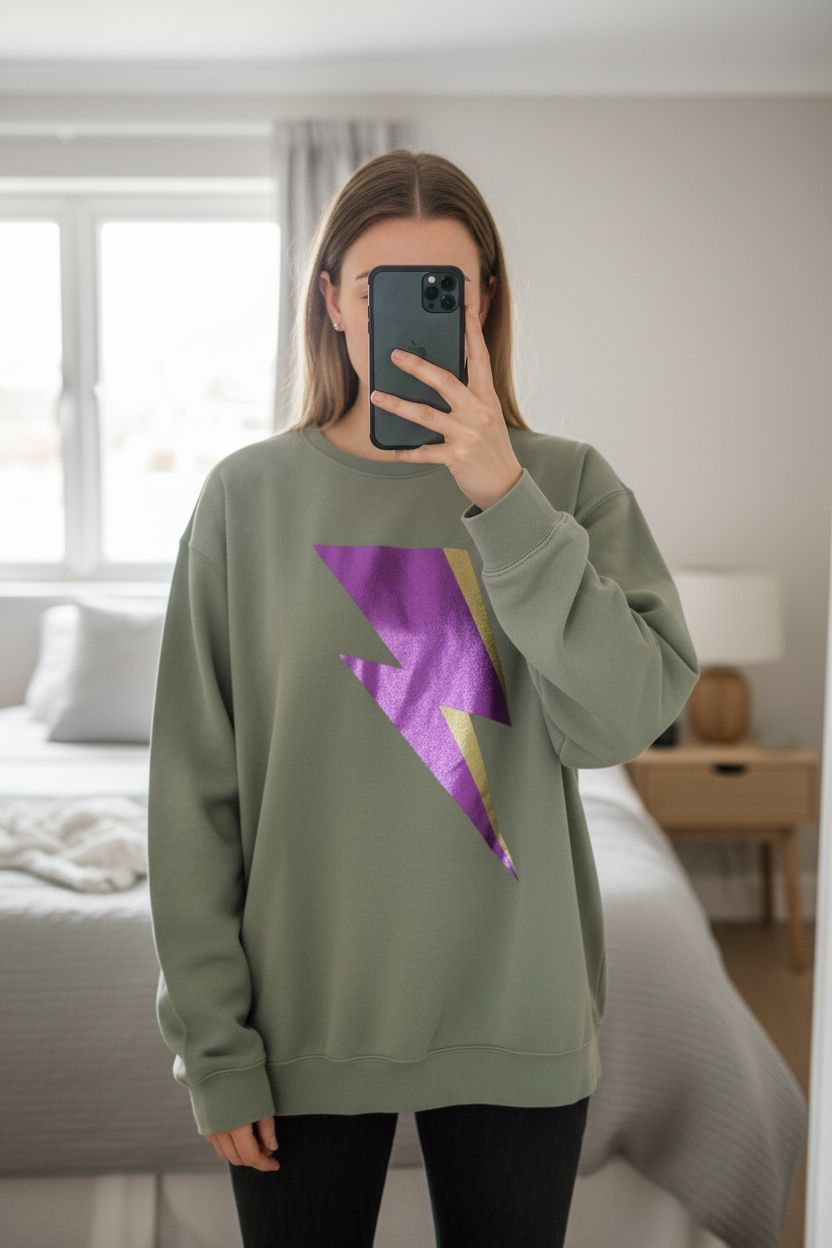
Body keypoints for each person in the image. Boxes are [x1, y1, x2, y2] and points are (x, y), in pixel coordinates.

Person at [147, 148, 700, 1248]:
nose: (404, 321)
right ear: (332, 303)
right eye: (377, 288)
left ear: (482, 303)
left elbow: (622, 719)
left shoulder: (567, 485)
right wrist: (215, 1045)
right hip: (303, 1026)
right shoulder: (244, 501)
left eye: (442, 289)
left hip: (516, 1017)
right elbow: (192, 800)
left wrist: (504, 500)